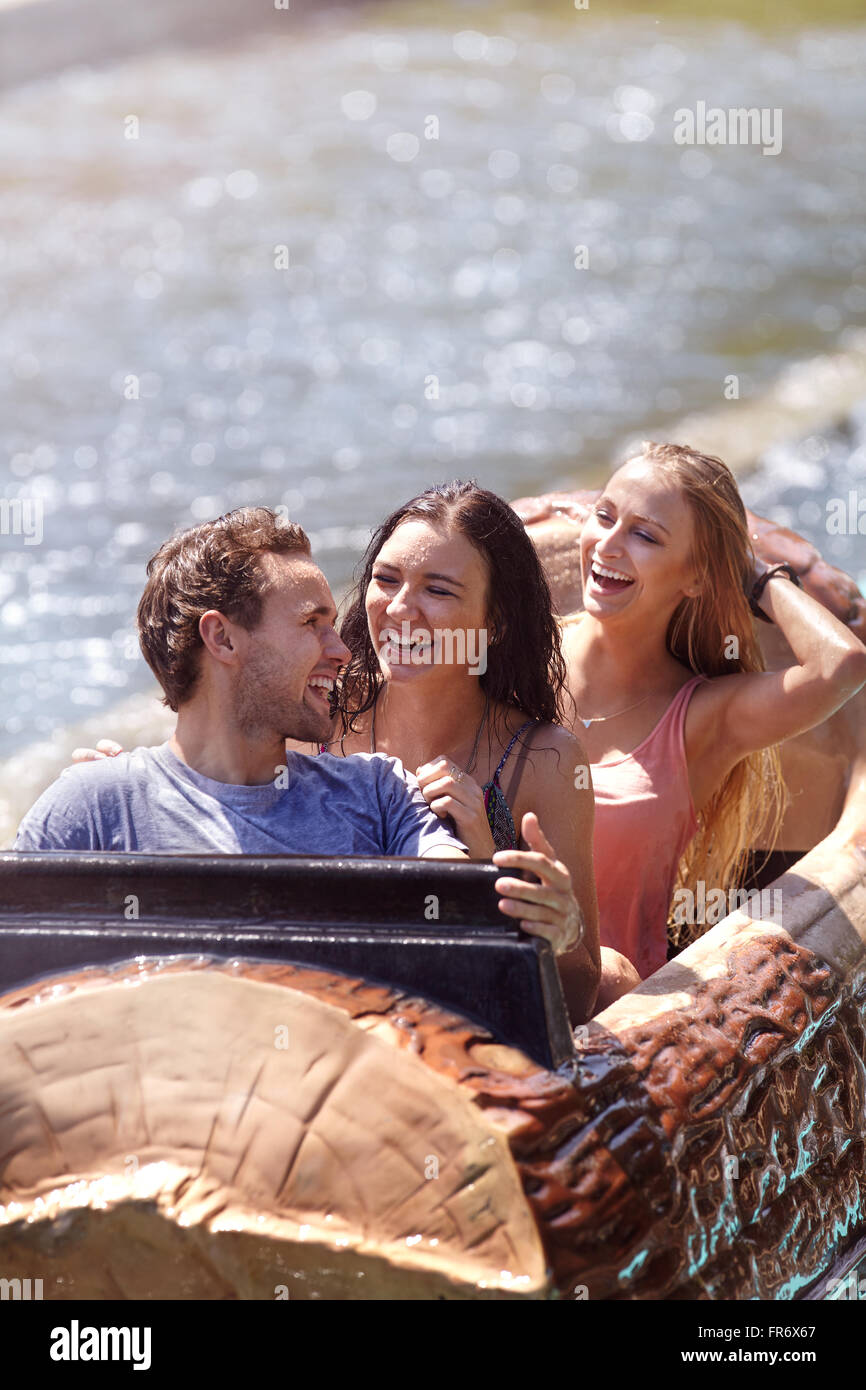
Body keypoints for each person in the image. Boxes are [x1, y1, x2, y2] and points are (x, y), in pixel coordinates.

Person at [67, 488, 601, 1020]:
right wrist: (125, 789)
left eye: (437, 590)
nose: (398, 609)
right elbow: (211, 754)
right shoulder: (311, 706)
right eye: (386, 579)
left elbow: (578, 998)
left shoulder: (542, 760)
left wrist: (528, 912)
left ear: (495, 623)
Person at [554, 441, 866, 993]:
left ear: (695, 576)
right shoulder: (519, 656)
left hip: (610, 1014)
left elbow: (842, 666)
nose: (608, 544)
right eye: (604, 517)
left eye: (644, 535)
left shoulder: (702, 715)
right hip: (478, 975)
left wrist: (756, 574)